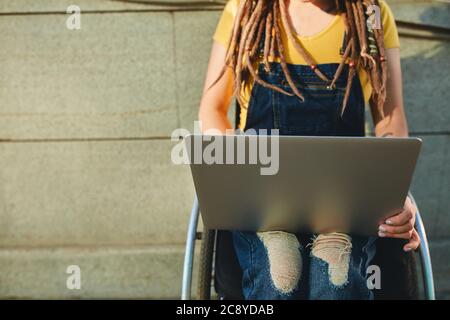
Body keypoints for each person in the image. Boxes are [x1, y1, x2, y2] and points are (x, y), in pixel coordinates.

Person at [198, 0, 420, 299]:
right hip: (262, 205)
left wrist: (397, 190)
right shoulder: (246, 9)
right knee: (279, 272)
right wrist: (227, 172)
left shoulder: (371, 14)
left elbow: (390, 116)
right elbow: (212, 109)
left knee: (335, 276)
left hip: (345, 204)